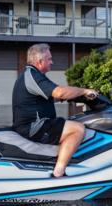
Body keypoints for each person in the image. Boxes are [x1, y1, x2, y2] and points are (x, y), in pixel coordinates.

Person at [12, 43, 98, 177]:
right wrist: (84, 91)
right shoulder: (32, 75)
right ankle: (59, 172)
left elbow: (50, 97)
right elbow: (59, 92)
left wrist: (73, 97)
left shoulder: (32, 75)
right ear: (40, 61)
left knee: (71, 123)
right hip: (34, 127)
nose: (52, 62)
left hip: (34, 124)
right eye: (49, 59)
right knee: (78, 128)